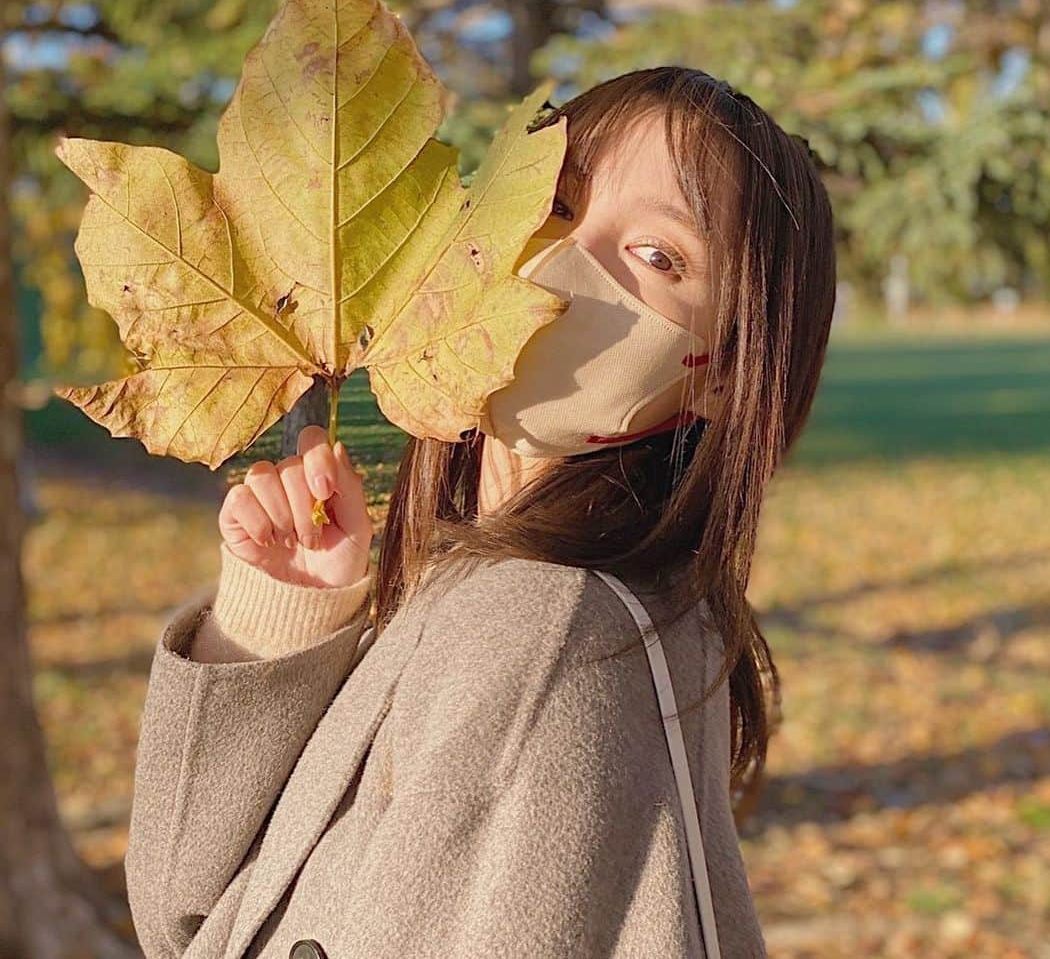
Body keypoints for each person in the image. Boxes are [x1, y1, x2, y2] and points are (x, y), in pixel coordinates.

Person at [124, 66, 835, 959]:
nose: (555, 266)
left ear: (724, 374)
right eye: (553, 203)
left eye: (658, 257)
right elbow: (188, 920)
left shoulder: (548, 630)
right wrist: (283, 623)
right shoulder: (479, 589)